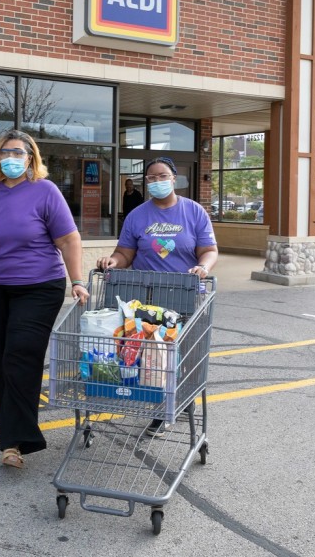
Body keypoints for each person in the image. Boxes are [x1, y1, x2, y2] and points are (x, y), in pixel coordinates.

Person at [0, 129, 89, 469]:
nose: (11, 159)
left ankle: (16, 441)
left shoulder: (45, 192)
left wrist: (77, 281)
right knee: (0, 352)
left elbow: (68, 240)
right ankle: (4, 419)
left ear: (31, 158)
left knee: (22, 353)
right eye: (5, 153)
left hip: (39, 285)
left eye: (18, 153)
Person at [96, 156, 218, 437]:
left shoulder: (194, 212)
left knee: (178, 357)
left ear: (174, 179)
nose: (157, 181)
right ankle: (158, 407)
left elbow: (209, 250)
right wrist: (113, 261)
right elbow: (125, 253)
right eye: (151, 178)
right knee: (151, 359)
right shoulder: (137, 215)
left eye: (162, 176)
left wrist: (204, 267)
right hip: (145, 301)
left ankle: (172, 404)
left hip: (182, 295)